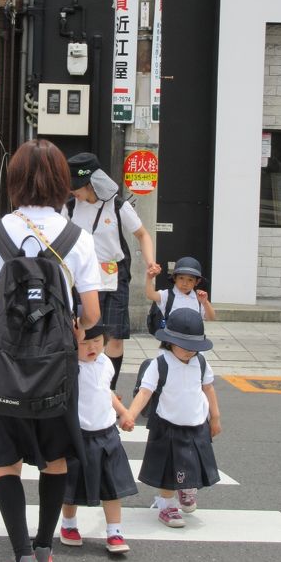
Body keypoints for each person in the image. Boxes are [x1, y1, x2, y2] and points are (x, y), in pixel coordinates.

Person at [0, 139, 101, 562]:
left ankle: (21, 561)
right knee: (55, 459)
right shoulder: (78, 237)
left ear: (14, 181)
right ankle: (43, 549)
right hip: (56, 367)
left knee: (7, 463)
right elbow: (92, 314)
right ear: (62, 183)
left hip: (4, 365)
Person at [65, 152, 160, 392]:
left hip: (113, 275)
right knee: (80, 330)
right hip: (80, 277)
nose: (72, 193)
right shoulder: (68, 208)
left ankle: (109, 389)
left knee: (115, 336)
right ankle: (81, 386)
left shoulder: (118, 205)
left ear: (91, 184)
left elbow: (143, 234)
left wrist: (150, 262)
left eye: (76, 188)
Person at [123, 308, 222, 529]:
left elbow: (208, 388)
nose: (189, 352)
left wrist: (215, 416)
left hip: (196, 423)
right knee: (168, 469)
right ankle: (166, 504)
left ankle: (187, 490)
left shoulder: (201, 361)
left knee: (194, 462)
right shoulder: (160, 364)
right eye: (184, 346)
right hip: (168, 424)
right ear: (169, 342)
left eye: (194, 347)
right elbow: (145, 392)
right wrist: (130, 414)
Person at [60, 323, 137, 554]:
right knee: (71, 486)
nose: (92, 347)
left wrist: (123, 412)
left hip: (107, 434)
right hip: (78, 435)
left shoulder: (106, 363)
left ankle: (114, 531)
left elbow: (106, 392)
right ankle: (69, 525)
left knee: (112, 485)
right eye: (84, 343)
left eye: (97, 341)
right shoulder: (70, 367)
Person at [146, 256, 215, 322]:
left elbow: (211, 318)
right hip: (171, 334)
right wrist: (149, 278)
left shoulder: (199, 298)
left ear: (197, 282)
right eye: (181, 278)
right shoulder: (167, 295)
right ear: (174, 278)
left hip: (193, 334)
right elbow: (150, 295)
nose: (185, 283)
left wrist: (205, 303)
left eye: (190, 280)